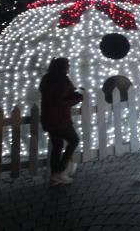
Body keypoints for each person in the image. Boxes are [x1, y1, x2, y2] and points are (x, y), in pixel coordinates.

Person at [39, 57, 84, 186]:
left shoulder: (46, 78)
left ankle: (55, 176)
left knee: (57, 146)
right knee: (74, 140)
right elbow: (62, 101)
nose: (69, 67)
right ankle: (60, 171)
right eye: (67, 65)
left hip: (48, 118)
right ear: (63, 67)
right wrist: (78, 96)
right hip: (60, 119)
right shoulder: (62, 80)